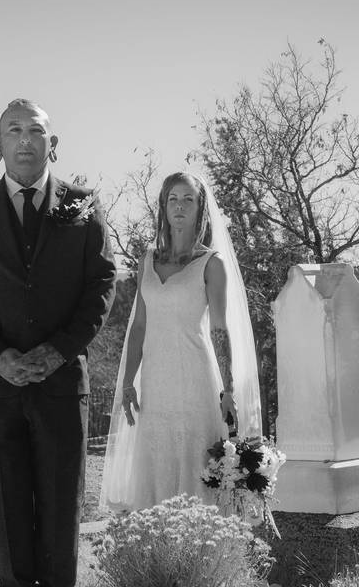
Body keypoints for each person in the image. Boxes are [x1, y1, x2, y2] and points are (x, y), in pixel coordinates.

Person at [0, 99, 116, 587]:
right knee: (8, 516)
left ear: (52, 144)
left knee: (62, 517)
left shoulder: (83, 204)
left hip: (62, 385)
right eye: (13, 130)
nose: (24, 139)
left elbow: (101, 286)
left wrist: (60, 349)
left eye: (35, 131)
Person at [100, 171, 262, 512]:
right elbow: (139, 326)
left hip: (196, 380)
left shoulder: (211, 263)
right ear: (163, 206)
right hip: (155, 384)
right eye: (173, 198)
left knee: (194, 470)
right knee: (156, 464)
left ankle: (202, 557)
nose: (179, 206)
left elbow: (219, 328)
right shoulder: (148, 260)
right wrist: (128, 380)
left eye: (188, 199)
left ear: (200, 208)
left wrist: (228, 389)